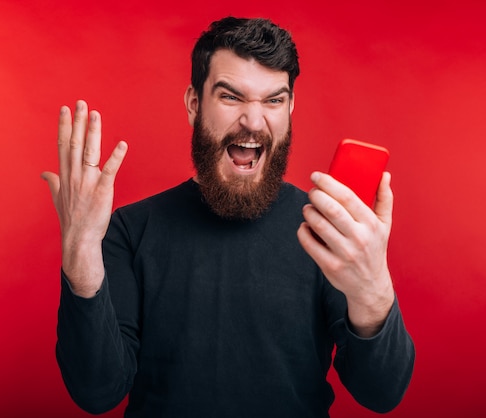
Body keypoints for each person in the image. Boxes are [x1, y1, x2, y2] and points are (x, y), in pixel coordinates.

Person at [42, 16, 414, 417]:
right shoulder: (131, 230)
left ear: (290, 108)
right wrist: (80, 256)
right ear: (193, 104)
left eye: (274, 100)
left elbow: (382, 392)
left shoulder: (326, 230)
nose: (254, 122)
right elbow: (97, 392)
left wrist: (374, 287)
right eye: (231, 97)